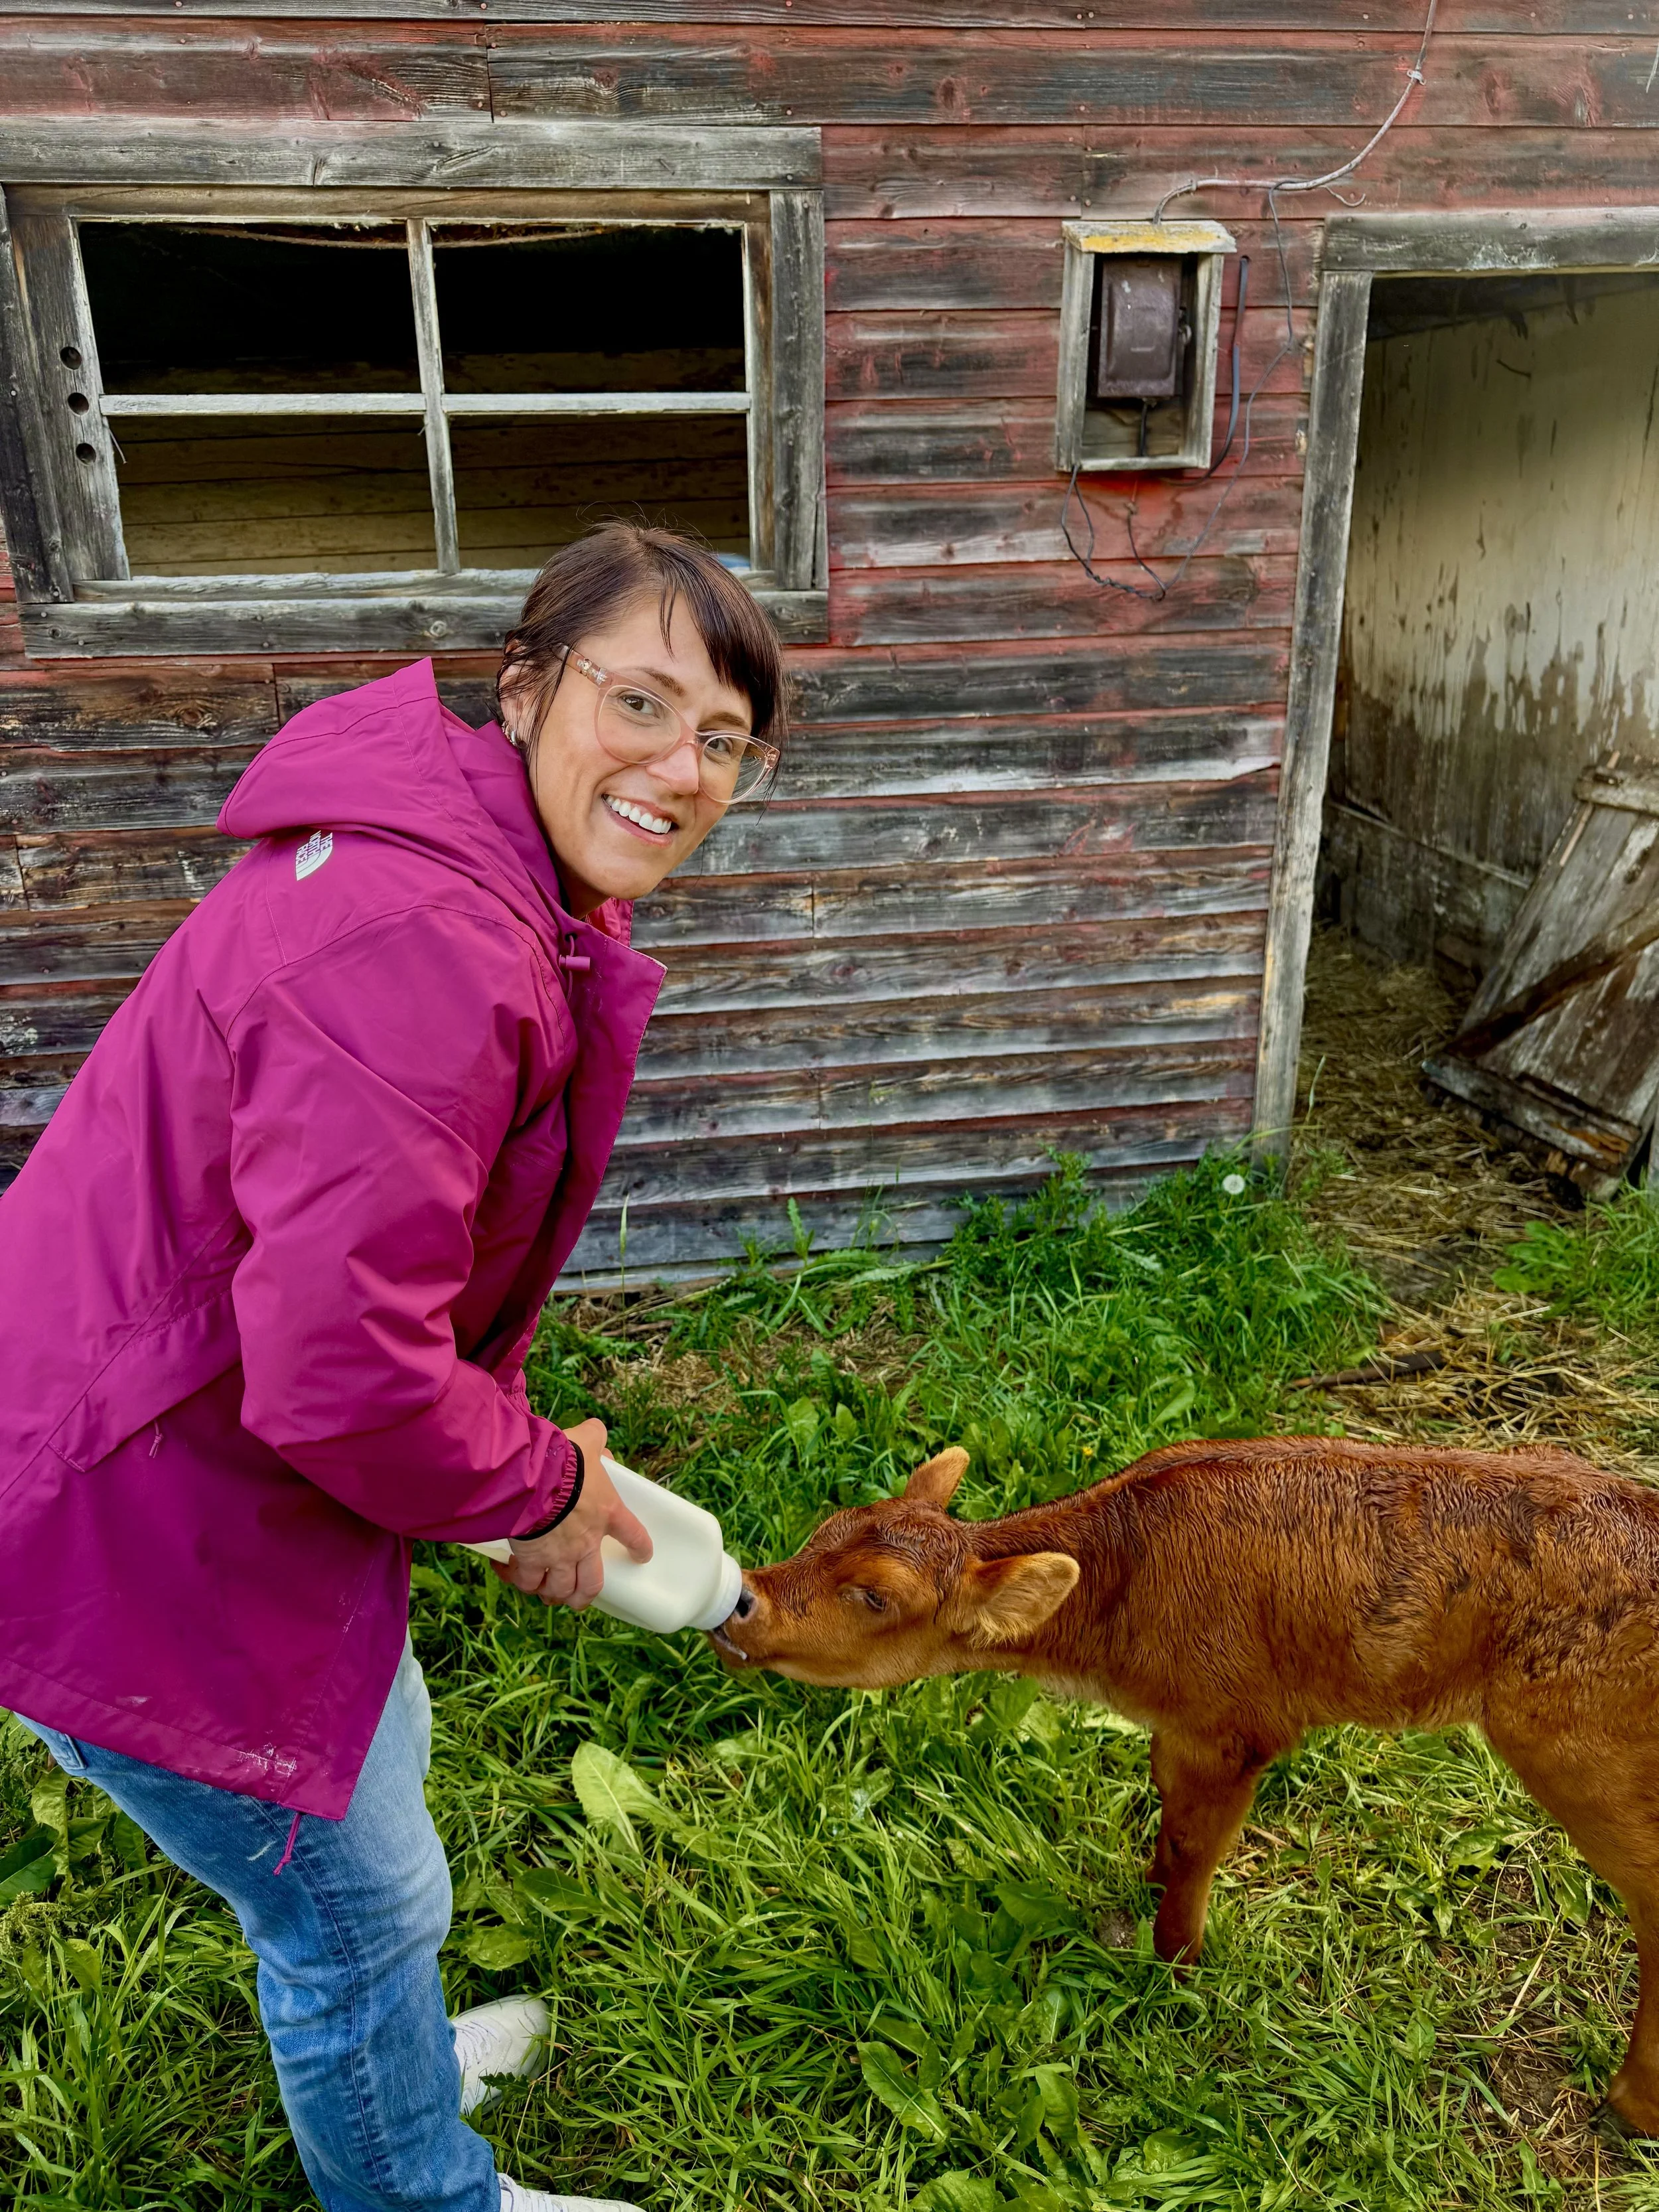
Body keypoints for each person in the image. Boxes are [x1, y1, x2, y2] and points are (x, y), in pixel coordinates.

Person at [0, 524, 786, 2212]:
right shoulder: (424, 938)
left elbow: (375, 1287)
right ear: (522, 688)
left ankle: (391, 2048)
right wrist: (544, 1484)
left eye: (722, 738)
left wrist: (506, 1456)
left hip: (181, 1440)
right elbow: (349, 1373)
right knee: (352, 1902)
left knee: (372, 1768)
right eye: (638, 701)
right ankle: (422, 2184)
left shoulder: (452, 868)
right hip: (130, 1507)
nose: (681, 765)